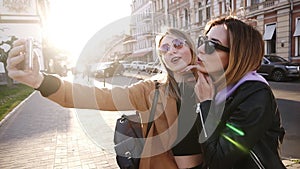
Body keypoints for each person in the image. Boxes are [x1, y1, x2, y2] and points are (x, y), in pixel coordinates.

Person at [6, 28, 203, 169]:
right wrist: (40, 81)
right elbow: (101, 97)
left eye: (177, 44)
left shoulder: (214, 84)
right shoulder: (151, 90)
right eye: (164, 49)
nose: (171, 51)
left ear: (191, 48)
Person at [184, 16, 286, 169]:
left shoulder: (255, 95)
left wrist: (206, 104)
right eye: (202, 41)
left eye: (211, 45)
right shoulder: (214, 87)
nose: (200, 49)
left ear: (237, 55)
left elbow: (218, 160)